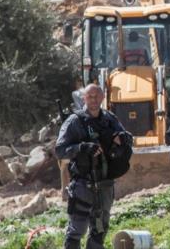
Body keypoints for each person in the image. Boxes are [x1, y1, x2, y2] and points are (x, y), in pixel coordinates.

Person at [55, 84, 133, 249]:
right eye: (90, 96)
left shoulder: (110, 119)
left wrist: (122, 139)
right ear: (83, 98)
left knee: (100, 229)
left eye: (97, 96)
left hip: (105, 184)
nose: (94, 99)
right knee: (77, 230)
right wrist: (81, 148)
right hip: (83, 184)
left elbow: (127, 138)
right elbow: (60, 150)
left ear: (103, 97)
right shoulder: (74, 121)